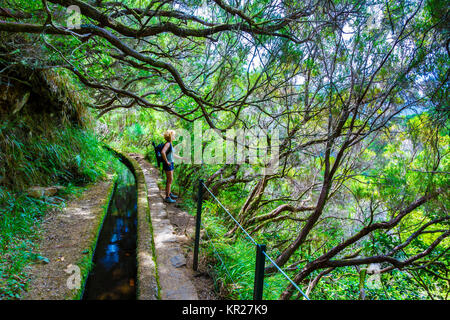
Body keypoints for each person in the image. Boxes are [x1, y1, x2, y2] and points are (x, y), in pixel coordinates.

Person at [161, 130, 179, 203]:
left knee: (170, 180)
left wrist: (182, 158)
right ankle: (167, 197)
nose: (174, 136)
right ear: (170, 136)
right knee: (169, 180)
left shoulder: (170, 144)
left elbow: (173, 155)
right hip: (168, 164)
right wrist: (166, 161)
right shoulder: (168, 144)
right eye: (173, 135)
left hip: (171, 163)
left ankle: (169, 193)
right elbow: (163, 152)